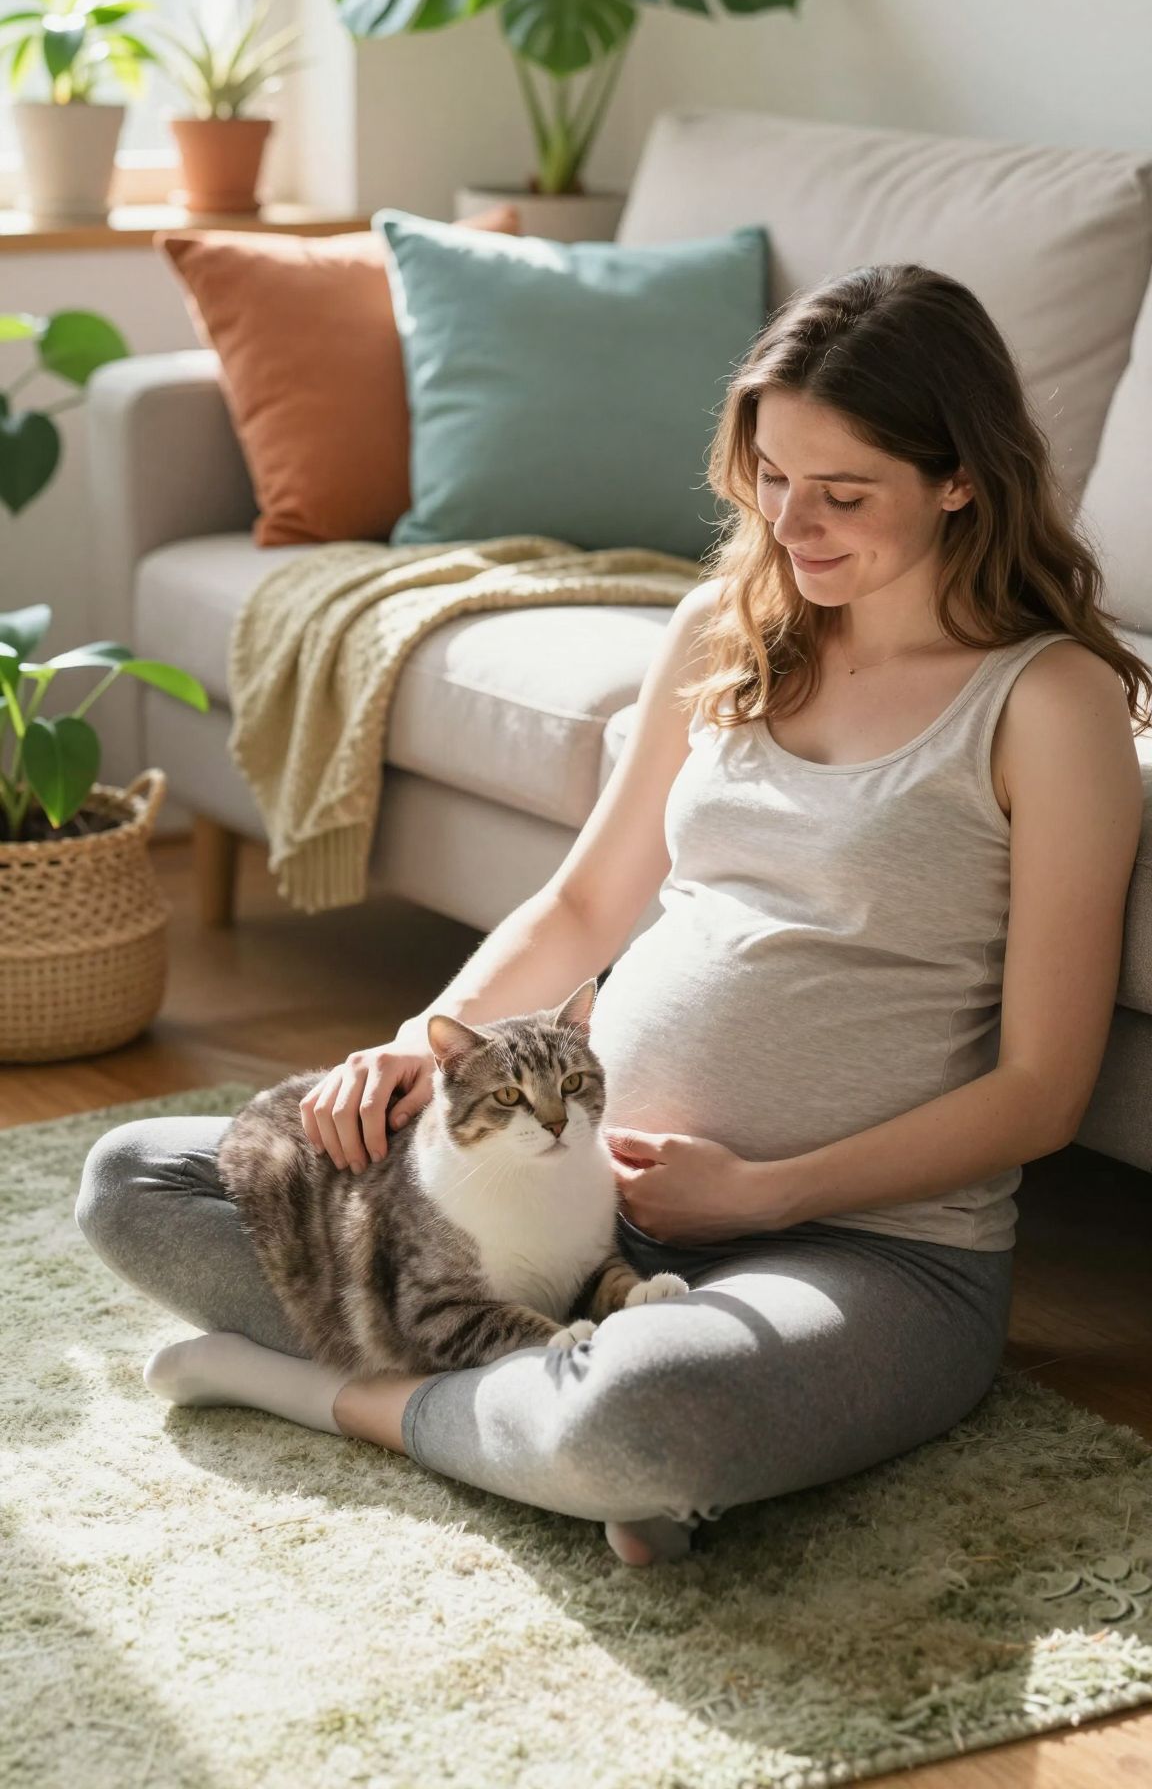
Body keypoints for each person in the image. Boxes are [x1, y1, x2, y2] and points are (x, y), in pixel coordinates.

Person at [75, 263, 1148, 1568]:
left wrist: (758, 1195)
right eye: (770, 476)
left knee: (651, 1416)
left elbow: (1041, 1090)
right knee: (141, 1181)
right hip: (570, 1212)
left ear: (960, 478)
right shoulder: (728, 630)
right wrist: (428, 1036)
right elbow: (586, 898)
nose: (792, 525)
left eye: (844, 494)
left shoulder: (1049, 703)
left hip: (868, 1252)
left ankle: (346, 1395)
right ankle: (543, 1406)